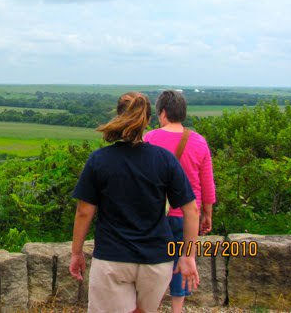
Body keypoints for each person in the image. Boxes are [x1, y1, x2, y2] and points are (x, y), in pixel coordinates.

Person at [69, 92, 200, 313]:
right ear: (147, 120)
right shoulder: (164, 159)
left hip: (112, 258)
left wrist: (76, 253)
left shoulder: (99, 160)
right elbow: (192, 211)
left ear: (119, 116)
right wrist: (188, 256)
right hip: (156, 261)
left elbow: (84, 211)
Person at [144, 90, 216, 313]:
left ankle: (151, 306)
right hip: (187, 217)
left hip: (155, 216)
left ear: (163, 113)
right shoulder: (199, 141)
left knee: (154, 264)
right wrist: (207, 214)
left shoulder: (149, 139)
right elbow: (207, 184)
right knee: (182, 261)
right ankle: (176, 309)